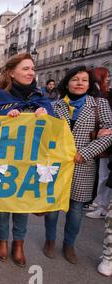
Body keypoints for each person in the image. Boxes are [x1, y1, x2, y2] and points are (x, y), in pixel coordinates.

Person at [0, 53, 55, 267]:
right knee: (4, 199)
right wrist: (6, 119)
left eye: (32, 68)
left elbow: (53, 127)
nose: (30, 72)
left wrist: (45, 116)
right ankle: (2, 240)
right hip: (4, 157)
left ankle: (19, 243)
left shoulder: (40, 97)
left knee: (23, 200)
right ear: (12, 73)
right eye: (25, 68)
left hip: (30, 158)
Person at [44, 66, 112, 264]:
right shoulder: (55, 106)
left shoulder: (99, 105)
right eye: (75, 79)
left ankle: (69, 244)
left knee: (75, 209)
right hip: (56, 165)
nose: (80, 83)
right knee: (52, 206)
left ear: (90, 84)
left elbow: (108, 134)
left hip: (83, 165)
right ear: (67, 83)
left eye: (84, 80)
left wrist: (85, 153)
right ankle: (50, 241)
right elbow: (45, 133)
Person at [86, 67, 112, 220]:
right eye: (106, 76)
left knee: (105, 176)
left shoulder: (104, 95)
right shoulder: (103, 94)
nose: (108, 79)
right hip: (104, 142)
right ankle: (101, 203)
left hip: (106, 139)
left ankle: (102, 205)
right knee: (104, 175)